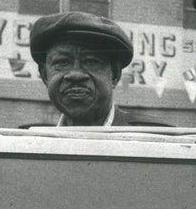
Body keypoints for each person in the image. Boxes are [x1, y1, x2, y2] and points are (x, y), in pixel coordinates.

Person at [28, 10, 168, 126]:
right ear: (45, 75)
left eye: (91, 62)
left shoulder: (156, 140)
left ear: (115, 74)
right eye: (63, 62)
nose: (76, 75)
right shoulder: (30, 144)